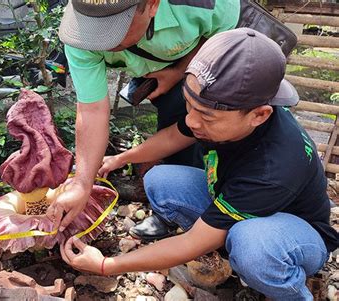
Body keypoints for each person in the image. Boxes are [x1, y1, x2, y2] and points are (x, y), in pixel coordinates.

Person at [59, 28, 339, 300]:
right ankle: (229, 251)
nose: (192, 121)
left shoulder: (273, 167)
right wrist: (119, 159)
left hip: (295, 235)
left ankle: (288, 289)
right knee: (160, 181)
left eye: (206, 116)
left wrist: (107, 265)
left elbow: (191, 243)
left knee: (252, 245)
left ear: (259, 115)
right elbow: (173, 136)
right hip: (239, 204)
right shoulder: (226, 109)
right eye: (188, 105)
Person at [47, 0, 242, 232]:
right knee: (179, 131)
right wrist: (82, 183)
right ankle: (177, 214)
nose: (97, 40)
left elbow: (219, 43)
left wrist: (180, 71)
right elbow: (91, 110)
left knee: (216, 134)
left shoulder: (212, 4)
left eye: (112, 27)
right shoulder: (82, 34)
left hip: (204, 64)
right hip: (160, 72)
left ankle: (230, 212)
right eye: (93, 26)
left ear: (152, 5)